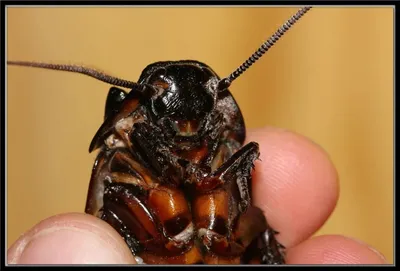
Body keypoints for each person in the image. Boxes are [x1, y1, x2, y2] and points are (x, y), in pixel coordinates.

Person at [7, 127, 388, 264]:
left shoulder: (221, 178)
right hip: (149, 244)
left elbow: (247, 223)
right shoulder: (128, 166)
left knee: (259, 224)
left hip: (220, 247)